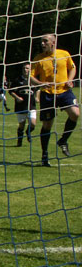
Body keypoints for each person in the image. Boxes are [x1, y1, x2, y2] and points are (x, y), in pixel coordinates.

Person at [31, 34, 79, 167]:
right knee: (47, 125)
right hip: (48, 94)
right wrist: (40, 83)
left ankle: (63, 141)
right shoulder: (38, 58)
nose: (42, 44)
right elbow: (31, 77)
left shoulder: (64, 54)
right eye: (41, 41)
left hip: (64, 91)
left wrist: (70, 80)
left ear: (53, 42)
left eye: (45, 41)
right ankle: (44, 154)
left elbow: (72, 68)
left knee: (75, 114)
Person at [9, 62, 36, 147]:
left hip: (31, 106)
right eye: (24, 68)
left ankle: (28, 132)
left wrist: (37, 97)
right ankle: (19, 141)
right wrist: (17, 98)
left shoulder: (33, 80)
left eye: (27, 68)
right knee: (22, 125)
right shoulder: (17, 80)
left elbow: (38, 89)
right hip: (20, 106)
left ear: (30, 70)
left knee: (33, 124)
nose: (25, 70)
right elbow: (11, 91)